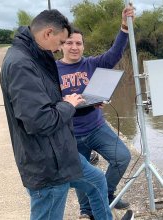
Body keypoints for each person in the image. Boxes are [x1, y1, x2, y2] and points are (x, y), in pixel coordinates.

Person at [0, 9, 133, 220]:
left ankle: (102, 208)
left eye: (77, 43)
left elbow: (43, 104)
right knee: (61, 196)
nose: (66, 47)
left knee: (99, 177)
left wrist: (89, 103)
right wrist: (69, 104)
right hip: (49, 155)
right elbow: (39, 118)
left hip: (63, 142)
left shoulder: (46, 60)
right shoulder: (31, 64)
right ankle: (85, 212)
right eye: (64, 42)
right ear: (48, 34)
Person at [56, 5, 134, 219]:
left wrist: (124, 27)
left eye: (78, 43)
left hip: (96, 127)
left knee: (122, 157)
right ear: (62, 45)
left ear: (83, 46)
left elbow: (114, 54)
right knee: (82, 175)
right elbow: (48, 102)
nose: (74, 47)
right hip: (71, 133)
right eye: (69, 42)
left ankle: (106, 193)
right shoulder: (52, 70)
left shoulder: (91, 64)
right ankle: (86, 211)